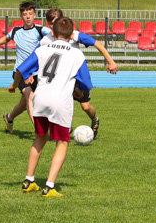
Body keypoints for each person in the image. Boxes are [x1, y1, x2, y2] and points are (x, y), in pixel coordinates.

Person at [9, 16, 93, 197]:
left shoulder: (42, 49)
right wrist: (79, 91)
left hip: (39, 98)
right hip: (60, 102)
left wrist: (15, 84)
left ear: (52, 33)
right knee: (62, 143)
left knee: (40, 137)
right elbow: (86, 82)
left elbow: (22, 68)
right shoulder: (76, 54)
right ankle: (49, 186)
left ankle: (28, 181)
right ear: (72, 35)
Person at [39, 8, 118, 138]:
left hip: (78, 77)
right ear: (48, 24)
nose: (54, 26)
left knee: (85, 107)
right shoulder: (45, 40)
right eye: (52, 23)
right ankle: (66, 127)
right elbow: (36, 56)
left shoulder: (73, 35)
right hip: (61, 78)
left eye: (57, 22)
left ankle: (94, 119)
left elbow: (97, 43)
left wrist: (110, 61)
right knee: (58, 103)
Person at [0, 1, 52, 133]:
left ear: (35, 15)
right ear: (21, 16)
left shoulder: (41, 30)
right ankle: (39, 130)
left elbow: (56, 32)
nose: (28, 16)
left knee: (24, 105)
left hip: (37, 73)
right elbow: (6, 38)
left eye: (30, 14)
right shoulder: (16, 30)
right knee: (30, 96)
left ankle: (9, 117)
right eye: (25, 14)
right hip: (20, 72)